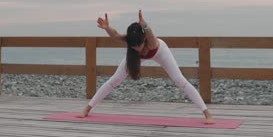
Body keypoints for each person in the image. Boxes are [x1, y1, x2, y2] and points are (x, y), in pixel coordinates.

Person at [77, 10, 214, 124]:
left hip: (160, 53)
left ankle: (207, 114)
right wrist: (107, 28)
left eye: (139, 45)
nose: (137, 49)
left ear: (144, 40)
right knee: (114, 80)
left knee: (180, 80)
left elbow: (149, 34)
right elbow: (116, 35)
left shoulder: (152, 42)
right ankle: (87, 109)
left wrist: (146, 25)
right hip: (138, 57)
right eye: (133, 46)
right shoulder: (131, 43)